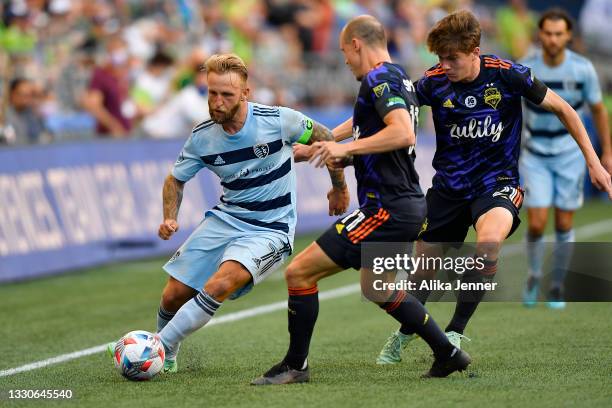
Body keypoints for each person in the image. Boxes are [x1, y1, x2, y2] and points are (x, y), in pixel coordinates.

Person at [375, 10, 612, 365]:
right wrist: (335, 139)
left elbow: (565, 110)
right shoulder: (433, 81)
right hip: (449, 187)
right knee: (423, 270)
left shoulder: (507, 74)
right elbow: (386, 111)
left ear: (474, 51)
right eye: (440, 58)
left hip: (496, 183)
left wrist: (594, 161)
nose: (445, 65)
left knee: (488, 244)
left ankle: (455, 331)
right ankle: (406, 332)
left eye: (452, 57)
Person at [252, 15, 471, 386]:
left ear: (356, 44)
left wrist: (344, 148)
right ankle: (448, 353)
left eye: (344, 52)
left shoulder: (378, 78)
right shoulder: (397, 75)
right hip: (407, 206)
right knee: (378, 287)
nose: (345, 60)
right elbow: (366, 129)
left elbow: (400, 133)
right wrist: (315, 147)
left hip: (385, 208)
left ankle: (296, 366)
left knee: (299, 272)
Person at [107, 53, 350, 373]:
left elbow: (328, 139)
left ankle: (155, 348)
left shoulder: (279, 120)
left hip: (271, 228)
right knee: (173, 294)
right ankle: (169, 350)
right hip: (227, 218)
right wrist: (170, 216)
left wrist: (339, 188)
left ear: (245, 94)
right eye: (212, 93)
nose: (217, 102)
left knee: (220, 284)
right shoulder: (203, 137)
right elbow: (175, 179)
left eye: (227, 95)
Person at [520, 8, 612, 309]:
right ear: (540, 34)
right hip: (534, 153)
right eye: (548, 33)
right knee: (535, 223)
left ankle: (557, 282)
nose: (553, 39)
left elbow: (598, 110)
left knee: (562, 221)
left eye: (559, 34)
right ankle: (534, 274)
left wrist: (606, 153)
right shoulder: (526, 68)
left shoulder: (583, 69)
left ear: (568, 36)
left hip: (569, 153)